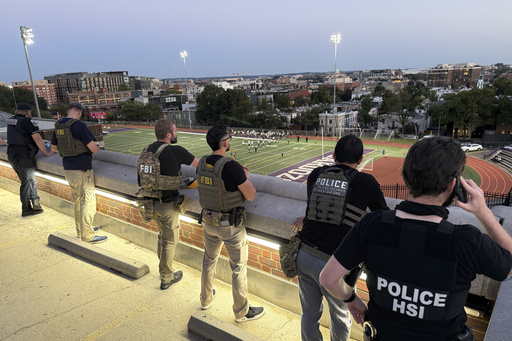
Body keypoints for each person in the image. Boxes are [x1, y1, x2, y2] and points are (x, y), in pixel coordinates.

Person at [320, 137, 512, 341]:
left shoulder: (372, 225)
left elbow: (328, 279)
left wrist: (351, 299)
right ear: (454, 185)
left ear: (406, 176)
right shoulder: (466, 241)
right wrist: (483, 212)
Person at [291, 134, 388, 341]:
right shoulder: (366, 181)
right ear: (360, 160)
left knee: (309, 312)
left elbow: (315, 209)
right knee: (340, 315)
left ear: (334, 155)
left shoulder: (316, 174)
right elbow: (383, 216)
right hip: (334, 264)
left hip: (303, 253)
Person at [197, 125, 265, 323]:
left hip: (209, 222)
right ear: (225, 143)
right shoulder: (231, 166)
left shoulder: (201, 162)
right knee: (238, 268)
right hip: (230, 226)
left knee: (208, 261)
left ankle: (205, 299)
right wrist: (247, 177)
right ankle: (241, 312)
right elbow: (250, 196)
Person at [137, 119, 199, 290]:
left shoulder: (146, 150)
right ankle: (166, 277)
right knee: (170, 241)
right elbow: (200, 166)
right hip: (167, 205)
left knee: (162, 238)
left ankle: (165, 270)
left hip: (149, 202)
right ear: (169, 135)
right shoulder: (175, 150)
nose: (177, 134)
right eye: (175, 131)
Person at [51, 103, 105, 243]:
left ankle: (81, 230)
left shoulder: (59, 125)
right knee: (87, 201)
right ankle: (88, 235)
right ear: (79, 112)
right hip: (82, 169)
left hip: (68, 168)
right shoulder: (78, 125)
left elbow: (54, 148)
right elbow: (94, 149)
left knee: (77, 201)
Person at [7, 102, 54, 217]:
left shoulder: (10, 120)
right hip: (24, 155)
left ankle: (35, 202)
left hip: (12, 154)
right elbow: (37, 139)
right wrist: (46, 153)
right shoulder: (28, 121)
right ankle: (26, 208)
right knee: (27, 182)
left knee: (29, 180)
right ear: (28, 111)